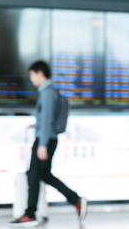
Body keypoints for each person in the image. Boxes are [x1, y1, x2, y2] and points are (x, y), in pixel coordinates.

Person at [10, 61, 88, 227]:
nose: (31, 79)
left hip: (45, 140)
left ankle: (30, 215)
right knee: (44, 175)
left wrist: (42, 144)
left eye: (31, 75)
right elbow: (44, 119)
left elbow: (47, 120)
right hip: (47, 137)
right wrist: (36, 125)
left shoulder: (47, 93)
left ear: (39, 73)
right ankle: (76, 200)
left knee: (33, 176)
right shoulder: (50, 91)